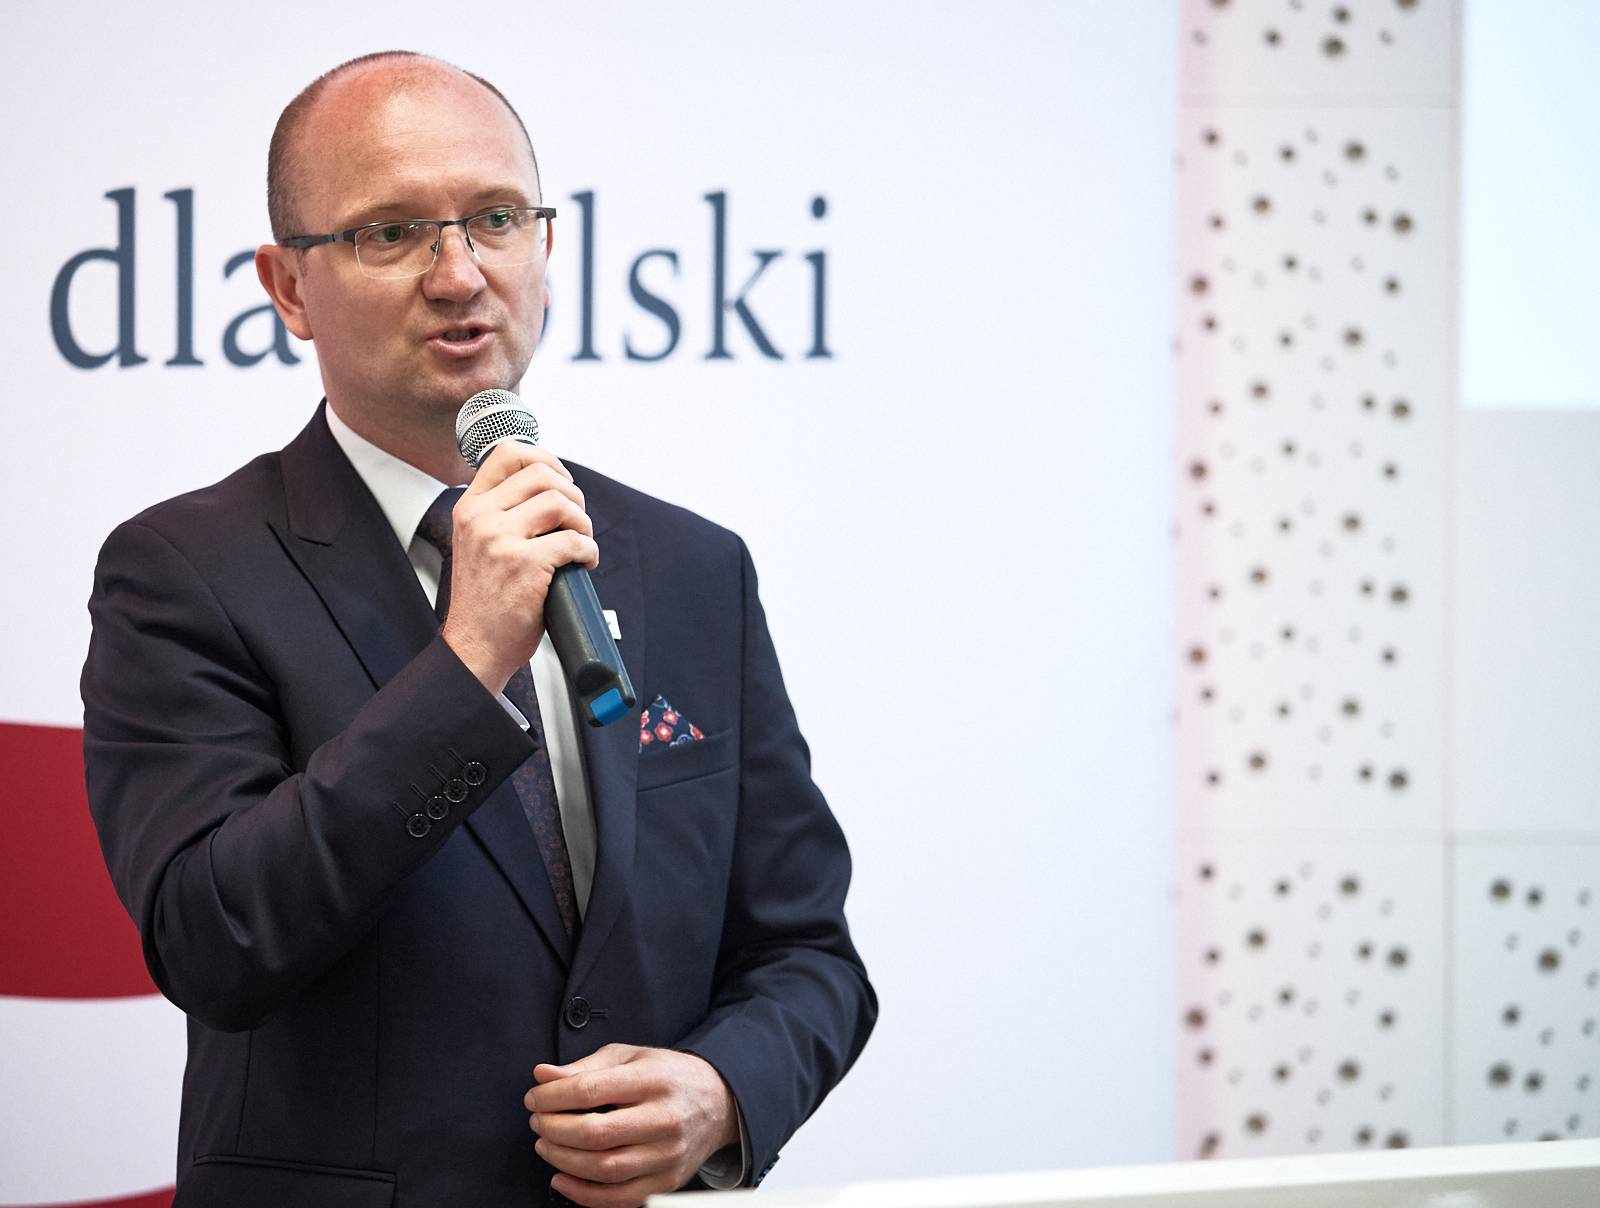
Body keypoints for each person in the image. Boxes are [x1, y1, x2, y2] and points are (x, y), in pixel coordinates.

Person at [81, 50, 875, 1208]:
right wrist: (466, 662)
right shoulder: (183, 571)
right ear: (288, 287)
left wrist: (721, 1091)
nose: (459, 274)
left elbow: (806, 951)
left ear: (545, 245)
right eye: (392, 232)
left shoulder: (691, 564)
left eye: (496, 218)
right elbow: (216, 940)